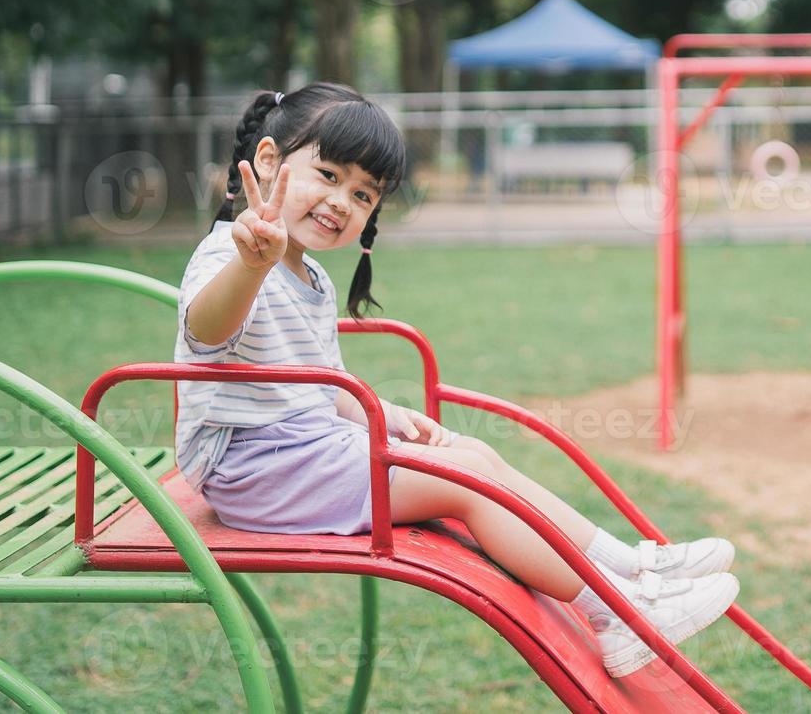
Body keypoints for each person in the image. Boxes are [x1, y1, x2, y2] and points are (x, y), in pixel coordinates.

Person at [176, 83, 739, 677]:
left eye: (363, 193)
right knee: (465, 481)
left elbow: (324, 382)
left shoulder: (310, 275)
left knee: (474, 455)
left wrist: (388, 416)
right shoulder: (230, 256)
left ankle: (631, 569)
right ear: (268, 162)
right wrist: (249, 265)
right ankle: (616, 613)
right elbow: (208, 331)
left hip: (302, 453)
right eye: (329, 174)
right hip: (253, 471)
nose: (342, 201)